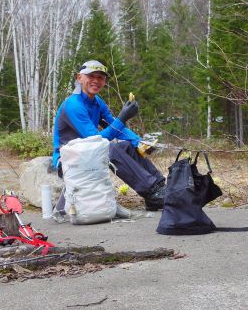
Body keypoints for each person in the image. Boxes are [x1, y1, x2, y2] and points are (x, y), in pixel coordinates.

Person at [52, 60, 166, 211]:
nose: (96, 81)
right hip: (67, 162)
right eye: (91, 76)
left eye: (100, 77)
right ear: (79, 78)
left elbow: (115, 127)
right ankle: (151, 191)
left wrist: (138, 142)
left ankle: (159, 187)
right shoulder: (73, 105)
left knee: (126, 145)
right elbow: (96, 142)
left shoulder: (97, 102)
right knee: (110, 149)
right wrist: (123, 118)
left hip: (86, 155)